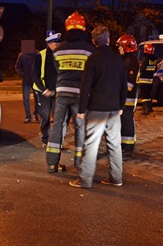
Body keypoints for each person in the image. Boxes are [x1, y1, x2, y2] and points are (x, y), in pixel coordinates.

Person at [70, 25, 127, 189]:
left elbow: (85, 87)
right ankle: (116, 178)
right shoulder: (118, 59)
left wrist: (82, 110)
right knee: (115, 145)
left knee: (91, 144)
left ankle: (85, 179)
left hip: (97, 109)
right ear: (108, 40)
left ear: (94, 42)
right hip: (114, 109)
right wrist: (121, 105)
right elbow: (124, 85)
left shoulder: (93, 60)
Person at [45, 12, 95, 173]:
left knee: (57, 126)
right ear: (83, 28)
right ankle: (80, 164)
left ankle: (52, 163)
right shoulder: (89, 49)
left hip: (61, 93)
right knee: (80, 128)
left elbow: (58, 71)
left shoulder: (58, 50)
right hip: (80, 94)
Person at [32, 30, 61, 149]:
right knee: (45, 116)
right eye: (55, 43)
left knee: (58, 117)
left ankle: (56, 141)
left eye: (58, 43)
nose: (57, 45)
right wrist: (44, 90)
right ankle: (46, 138)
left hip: (57, 91)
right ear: (49, 43)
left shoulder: (61, 55)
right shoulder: (40, 55)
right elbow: (35, 74)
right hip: (43, 91)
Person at [115, 34, 139, 159]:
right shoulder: (127, 60)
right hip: (125, 97)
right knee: (124, 122)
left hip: (128, 97)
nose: (119, 48)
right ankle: (124, 146)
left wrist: (121, 94)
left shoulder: (131, 61)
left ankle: (128, 148)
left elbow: (129, 83)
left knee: (127, 121)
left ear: (127, 47)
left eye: (120, 46)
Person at [15, 49, 38, 123]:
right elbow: (17, 67)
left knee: (37, 98)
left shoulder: (37, 54)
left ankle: (35, 113)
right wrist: (23, 74)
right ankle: (28, 117)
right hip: (26, 80)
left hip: (36, 80)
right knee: (26, 99)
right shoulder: (22, 55)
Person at [137, 43, 157, 115]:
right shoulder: (154, 60)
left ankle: (145, 109)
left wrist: (140, 66)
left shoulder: (145, 59)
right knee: (148, 95)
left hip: (143, 81)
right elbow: (155, 69)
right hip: (150, 80)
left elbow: (142, 69)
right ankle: (149, 107)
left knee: (144, 95)